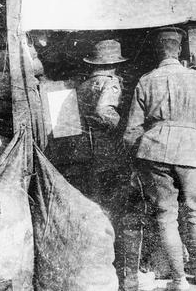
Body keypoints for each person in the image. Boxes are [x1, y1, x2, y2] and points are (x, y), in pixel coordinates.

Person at [123, 26, 196, 291]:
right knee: (195, 212)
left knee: (166, 216)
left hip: (154, 150)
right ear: (179, 49)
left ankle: (179, 280)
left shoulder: (145, 80)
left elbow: (132, 130)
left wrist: (136, 153)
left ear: (158, 50)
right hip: (190, 148)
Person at [77, 39, 142, 291]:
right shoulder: (111, 83)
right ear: (114, 64)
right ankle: (128, 279)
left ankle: (104, 274)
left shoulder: (84, 85)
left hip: (88, 156)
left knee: (100, 213)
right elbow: (106, 112)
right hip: (111, 157)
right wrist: (124, 126)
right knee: (124, 213)